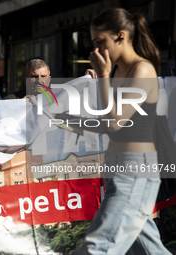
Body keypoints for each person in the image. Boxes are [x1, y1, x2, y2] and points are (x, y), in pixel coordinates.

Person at [71, 8, 172, 255]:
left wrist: (103, 76)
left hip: (136, 170)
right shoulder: (117, 70)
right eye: (93, 42)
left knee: (97, 248)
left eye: (100, 41)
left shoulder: (143, 69)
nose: (95, 50)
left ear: (121, 36)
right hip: (117, 167)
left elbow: (116, 121)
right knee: (147, 249)